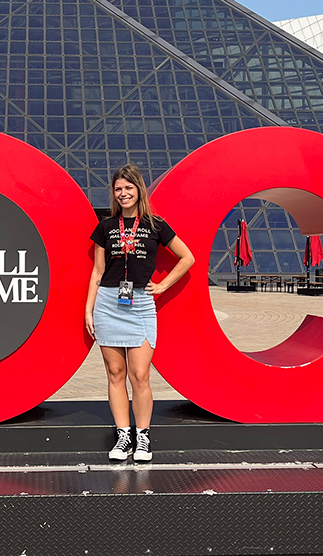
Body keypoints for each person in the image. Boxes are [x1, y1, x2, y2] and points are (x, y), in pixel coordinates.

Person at [85, 164, 194, 462]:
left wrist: (162, 286)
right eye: (118, 189)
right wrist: (89, 309)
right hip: (108, 303)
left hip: (140, 305)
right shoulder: (106, 227)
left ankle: (142, 437)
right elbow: (97, 271)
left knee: (140, 374)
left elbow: (187, 257)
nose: (123, 193)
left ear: (139, 190)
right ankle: (123, 436)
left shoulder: (156, 225)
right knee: (115, 373)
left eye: (128, 188)